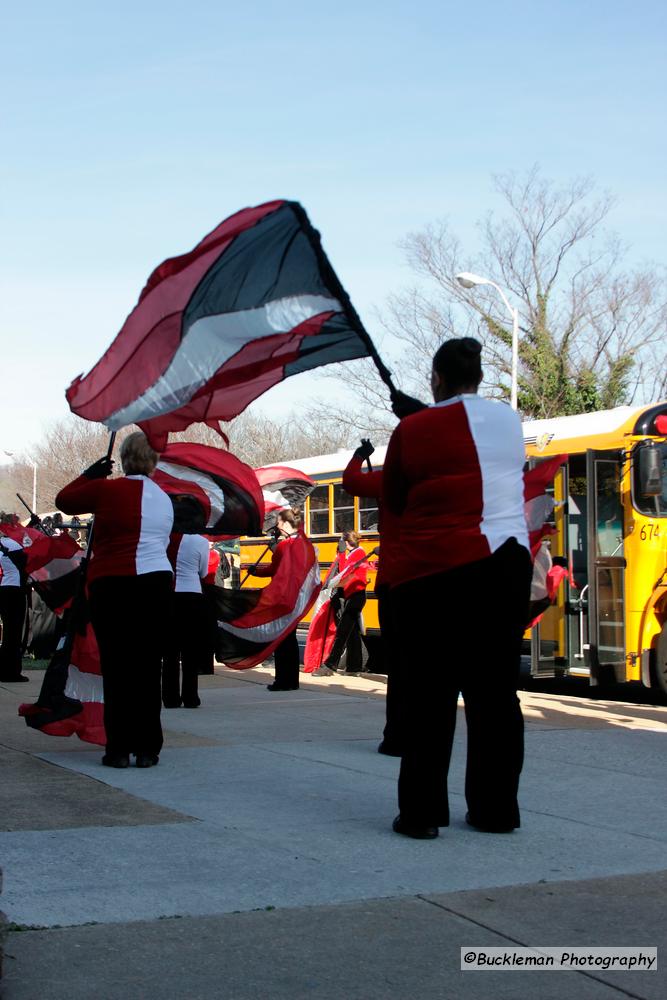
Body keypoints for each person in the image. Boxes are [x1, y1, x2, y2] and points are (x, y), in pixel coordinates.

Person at [383, 337, 532, 840]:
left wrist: (413, 418)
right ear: (480, 378)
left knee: (430, 694)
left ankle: (422, 814)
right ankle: (496, 809)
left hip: (437, 571)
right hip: (505, 566)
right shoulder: (511, 422)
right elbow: (470, 435)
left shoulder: (413, 430)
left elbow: (397, 498)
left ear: (437, 378)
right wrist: (423, 413)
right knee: (495, 695)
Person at [56, 432, 174, 769]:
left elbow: (65, 500)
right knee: (149, 667)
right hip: (155, 583)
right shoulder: (163, 497)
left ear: (123, 459)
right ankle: (148, 747)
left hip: (113, 583)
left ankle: (118, 748)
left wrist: (90, 473)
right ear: (153, 460)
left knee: (117, 666)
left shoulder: (107, 490)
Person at [340, 441, 402, 753]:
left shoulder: (393, 478)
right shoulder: (440, 475)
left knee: (401, 665)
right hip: (435, 576)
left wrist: (360, 456)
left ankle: (397, 735)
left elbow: (350, 481)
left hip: (398, 579)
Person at [248, 508, 313, 691]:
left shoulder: (284, 546)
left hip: (282, 597)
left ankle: (282, 680)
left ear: (285, 523)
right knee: (290, 638)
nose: (276, 525)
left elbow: (273, 570)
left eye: (278, 522)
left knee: (281, 639)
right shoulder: (303, 543)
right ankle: (293, 680)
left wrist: (255, 571)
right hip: (297, 597)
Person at [162, 533, 210, 708]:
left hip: (169, 594)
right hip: (192, 594)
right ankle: (190, 697)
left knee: (170, 651)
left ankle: (170, 697)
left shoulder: (166, 538)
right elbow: (203, 571)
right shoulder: (201, 541)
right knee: (191, 650)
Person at [313, 530, 368, 677]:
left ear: (347, 541)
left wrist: (331, 583)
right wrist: (341, 555)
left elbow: (346, 572)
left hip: (357, 595)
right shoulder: (349, 553)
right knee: (352, 633)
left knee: (343, 631)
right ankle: (354, 667)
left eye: (342, 541)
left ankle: (330, 665)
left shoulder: (360, 553)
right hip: (350, 595)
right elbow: (343, 569)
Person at [0, 517, 29, 682]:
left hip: (3, 588)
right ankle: (11, 672)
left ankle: (4, 669)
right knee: (14, 634)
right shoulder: (13, 545)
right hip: (14, 591)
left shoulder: (3, 544)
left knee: (8, 634)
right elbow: (27, 562)